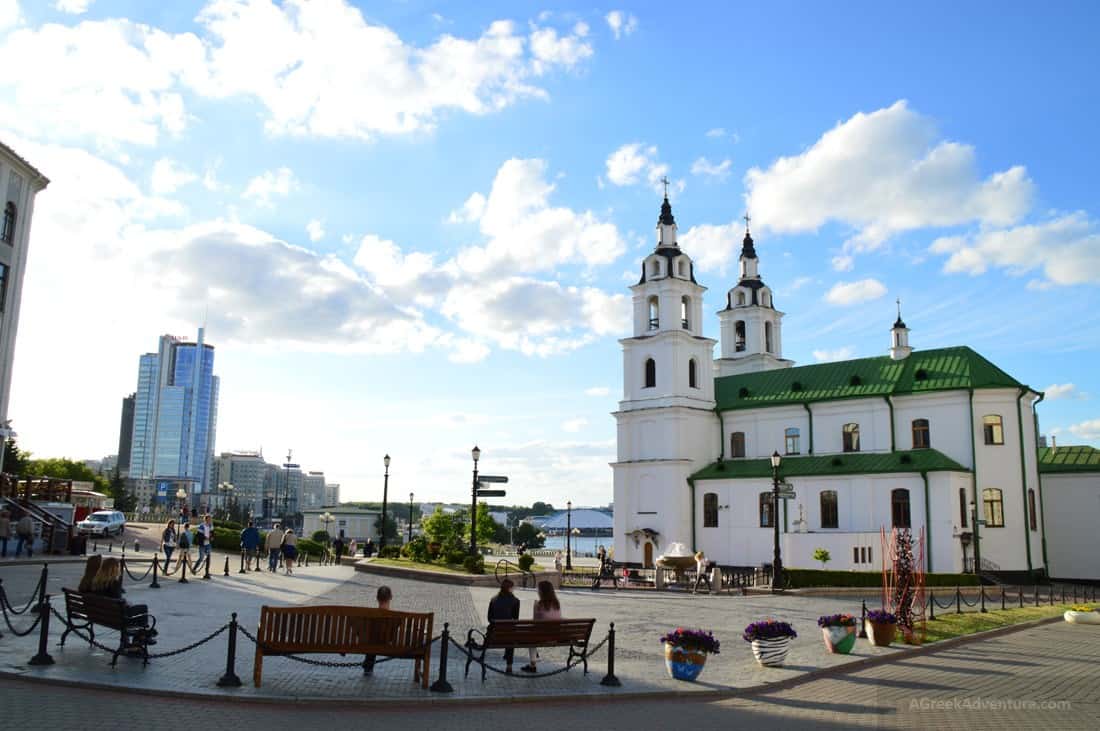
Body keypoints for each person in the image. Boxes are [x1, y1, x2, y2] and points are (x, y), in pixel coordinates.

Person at [89, 558, 157, 645]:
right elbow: (118, 601)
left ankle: (141, 635)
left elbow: (113, 599)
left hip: (102, 615)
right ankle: (142, 634)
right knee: (143, 608)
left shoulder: (95, 581)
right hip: (116, 617)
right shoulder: (113, 582)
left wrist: (123, 602)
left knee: (135, 609)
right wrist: (125, 603)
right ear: (114, 569)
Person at [521, 581, 561, 673]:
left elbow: (535, 622)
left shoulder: (539, 604)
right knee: (533, 635)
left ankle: (533, 664)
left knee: (531, 637)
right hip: (556, 636)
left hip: (542, 637)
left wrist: (534, 607)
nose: (537, 591)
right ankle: (535, 658)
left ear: (542, 592)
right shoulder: (556, 604)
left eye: (538, 589)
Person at [488, 578, 521, 673]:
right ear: (510, 589)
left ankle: (507, 656)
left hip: (494, 635)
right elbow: (515, 619)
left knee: (508, 632)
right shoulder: (515, 601)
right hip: (508, 635)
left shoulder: (493, 599)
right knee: (511, 634)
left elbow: (489, 618)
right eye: (513, 587)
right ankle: (509, 665)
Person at [363, 585, 393, 675]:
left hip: (371, 643)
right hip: (387, 643)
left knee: (372, 640)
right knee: (376, 639)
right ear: (391, 597)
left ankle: (368, 666)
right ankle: (368, 665)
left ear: (377, 598)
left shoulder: (370, 616)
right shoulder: (394, 617)